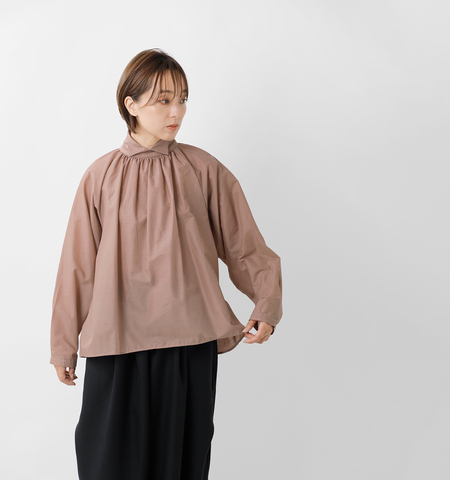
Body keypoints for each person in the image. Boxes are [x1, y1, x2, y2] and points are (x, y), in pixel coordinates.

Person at [49, 48, 283, 480]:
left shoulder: (203, 169)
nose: (177, 111)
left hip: (187, 341)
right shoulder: (100, 176)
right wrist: (64, 343)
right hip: (115, 340)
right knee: (107, 463)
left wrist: (266, 302)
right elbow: (77, 266)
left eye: (183, 99)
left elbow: (244, 245)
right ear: (131, 104)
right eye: (163, 100)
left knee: (180, 463)